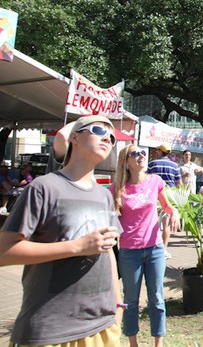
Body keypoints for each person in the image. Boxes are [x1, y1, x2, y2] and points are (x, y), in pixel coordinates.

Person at [0, 115, 123, 346]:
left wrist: (118, 304)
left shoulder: (105, 195)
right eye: (98, 129)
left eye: (112, 137)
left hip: (102, 326)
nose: (107, 137)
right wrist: (76, 247)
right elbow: (4, 252)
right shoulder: (43, 187)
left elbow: (108, 251)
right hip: (51, 328)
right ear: (74, 137)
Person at [111, 144, 180, 347]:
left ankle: (158, 343)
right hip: (129, 251)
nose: (141, 156)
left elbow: (167, 206)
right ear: (126, 161)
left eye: (143, 153)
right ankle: (133, 343)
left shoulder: (155, 182)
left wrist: (174, 213)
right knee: (131, 301)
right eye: (135, 154)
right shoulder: (117, 188)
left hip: (155, 249)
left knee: (157, 298)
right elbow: (107, 216)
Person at [147, 143, 181, 258]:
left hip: (154, 194)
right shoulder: (175, 166)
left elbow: (147, 179)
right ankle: (164, 250)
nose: (156, 152)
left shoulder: (152, 164)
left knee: (153, 221)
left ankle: (152, 247)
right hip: (169, 196)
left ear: (161, 152)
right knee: (166, 224)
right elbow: (179, 183)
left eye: (157, 151)